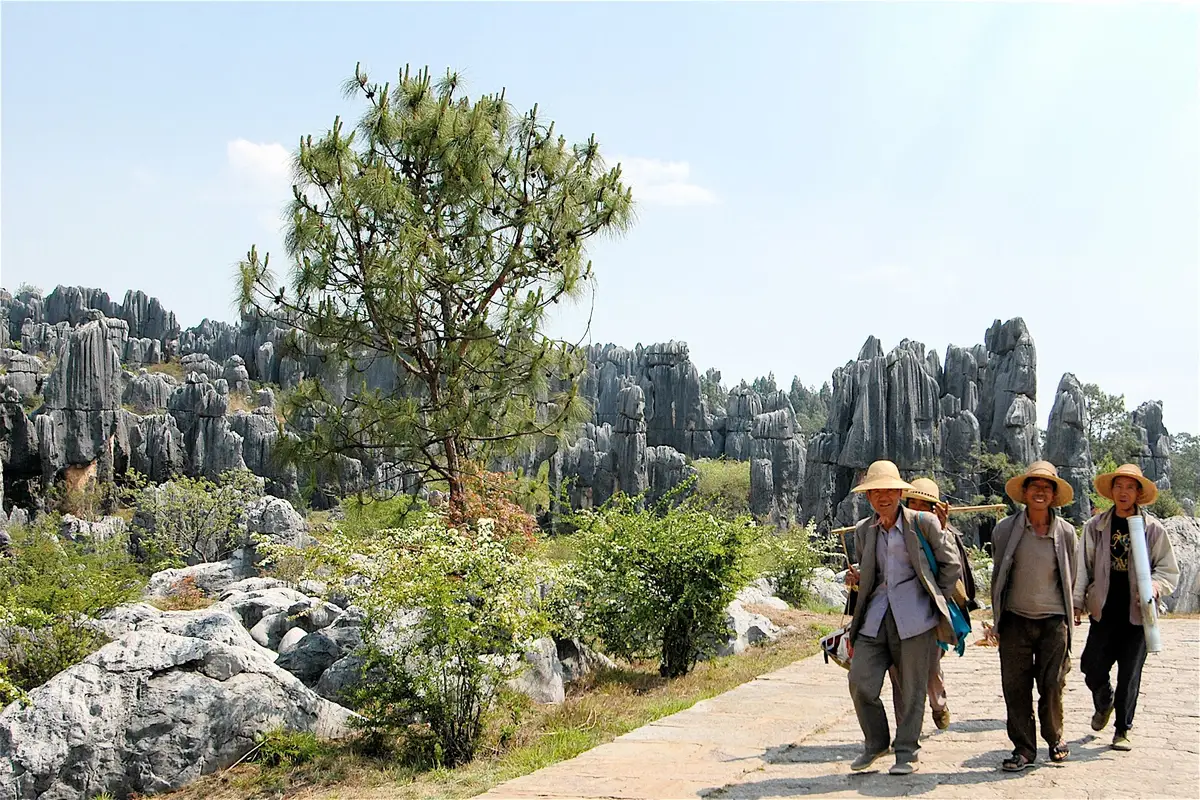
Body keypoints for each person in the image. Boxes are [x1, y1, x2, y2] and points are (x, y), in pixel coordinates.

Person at [843, 460, 964, 775]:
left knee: (912, 688)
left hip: (915, 618)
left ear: (899, 492)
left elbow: (951, 565)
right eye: (875, 492)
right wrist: (855, 577)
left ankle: (907, 751)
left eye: (888, 491)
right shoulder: (862, 531)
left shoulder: (922, 523)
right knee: (860, 681)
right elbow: (871, 575)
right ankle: (876, 742)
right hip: (875, 617)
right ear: (868, 497)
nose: (882, 497)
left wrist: (935, 598)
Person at [1074, 463, 1180, 751]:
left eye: (1129, 487)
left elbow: (1168, 570)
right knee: (1091, 666)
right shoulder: (1095, 527)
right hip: (1104, 610)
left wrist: (1155, 587)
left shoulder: (1153, 530)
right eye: (1118, 486)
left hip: (1138, 614)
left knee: (1130, 674)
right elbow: (1083, 567)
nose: (1123, 492)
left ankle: (1122, 729)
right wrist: (1077, 603)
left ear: (1138, 493)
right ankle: (1103, 700)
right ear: (1111, 491)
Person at [990, 461, 1078, 771]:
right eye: (1034, 486)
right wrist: (996, 619)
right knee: (1015, 686)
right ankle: (1024, 748)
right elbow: (999, 576)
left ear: (1054, 495)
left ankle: (1055, 737)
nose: (1040, 491)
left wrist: (1072, 613)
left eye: (1046, 487)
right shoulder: (1005, 530)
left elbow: (1072, 576)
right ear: (1024, 493)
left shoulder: (1066, 533)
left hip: (1054, 621)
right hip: (1015, 619)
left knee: (1052, 683)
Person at [885, 477, 975, 731]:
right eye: (913, 503)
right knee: (898, 671)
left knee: (930, 667)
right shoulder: (894, 529)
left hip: (930, 611)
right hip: (900, 611)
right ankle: (905, 729)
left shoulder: (942, 534)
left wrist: (938, 601)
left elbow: (954, 569)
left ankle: (938, 704)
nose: (917, 509)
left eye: (924, 505)